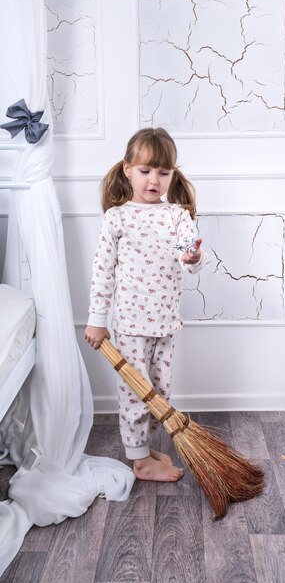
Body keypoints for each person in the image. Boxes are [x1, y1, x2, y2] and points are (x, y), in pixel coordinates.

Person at [84, 127, 204, 483]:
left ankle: (143, 447)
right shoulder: (117, 217)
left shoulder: (177, 215)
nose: (154, 180)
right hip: (132, 323)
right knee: (137, 392)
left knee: (160, 391)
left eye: (163, 173)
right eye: (146, 171)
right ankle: (139, 462)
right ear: (127, 169)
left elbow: (189, 255)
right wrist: (96, 319)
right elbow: (102, 273)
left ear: (173, 174)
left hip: (166, 321)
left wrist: (193, 255)